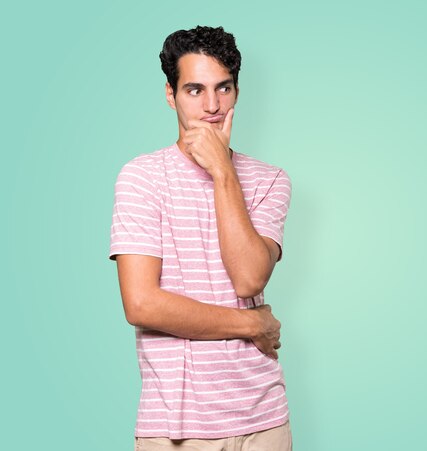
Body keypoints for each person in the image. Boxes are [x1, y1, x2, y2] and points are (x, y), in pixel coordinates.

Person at [109, 26, 292, 450]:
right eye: (194, 90)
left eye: (223, 88)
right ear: (171, 95)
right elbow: (142, 303)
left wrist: (223, 172)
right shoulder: (142, 178)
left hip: (263, 420)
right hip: (176, 427)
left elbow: (249, 280)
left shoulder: (269, 181)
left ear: (237, 92)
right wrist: (251, 322)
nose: (211, 106)